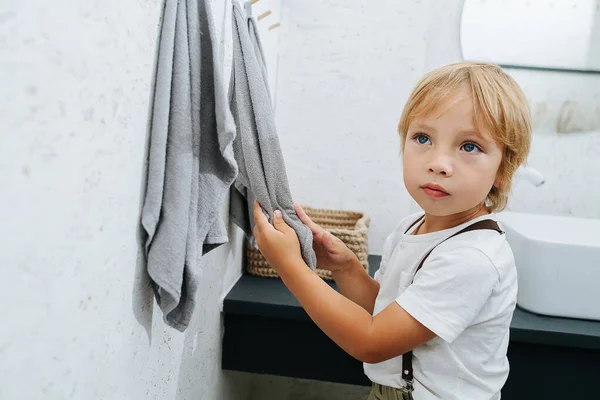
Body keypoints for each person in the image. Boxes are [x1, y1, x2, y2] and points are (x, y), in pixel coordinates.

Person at [252, 61, 531, 400]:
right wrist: (346, 268)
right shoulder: (410, 227)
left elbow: (371, 341)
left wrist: (289, 266)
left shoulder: (472, 258)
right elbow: (385, 314)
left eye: (469, 146)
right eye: (423, 138)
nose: (438, 163)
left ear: (504, 170)